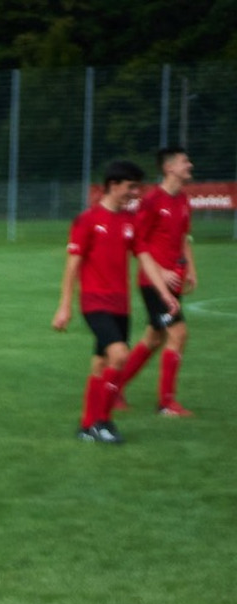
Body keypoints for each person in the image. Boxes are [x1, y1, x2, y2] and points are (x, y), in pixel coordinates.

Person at [53, 159, 177, 443]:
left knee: (100, 364)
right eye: (131, 187)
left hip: (121, 306)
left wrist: (164, 293)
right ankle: (103, 422)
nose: (135, 193)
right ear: (113, 185)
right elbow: (72, 266)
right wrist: (64, 306)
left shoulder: (129, 221)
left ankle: (86, 425)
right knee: (119, 354)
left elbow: (145, 257)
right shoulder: (87, 220)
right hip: (95, 304)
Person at [120, 147, 196, 416]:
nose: (190, 165)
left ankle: (115, 387)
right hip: (154, 284)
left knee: (154, 338)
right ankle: (166, 402)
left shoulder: (184, 200)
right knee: (178, 333)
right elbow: (138, 244)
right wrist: (161, 273)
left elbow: (184, 238)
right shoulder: (152, 201)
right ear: (169, 168)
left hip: (174, 283)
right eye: (185, 161)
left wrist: (192, 270)